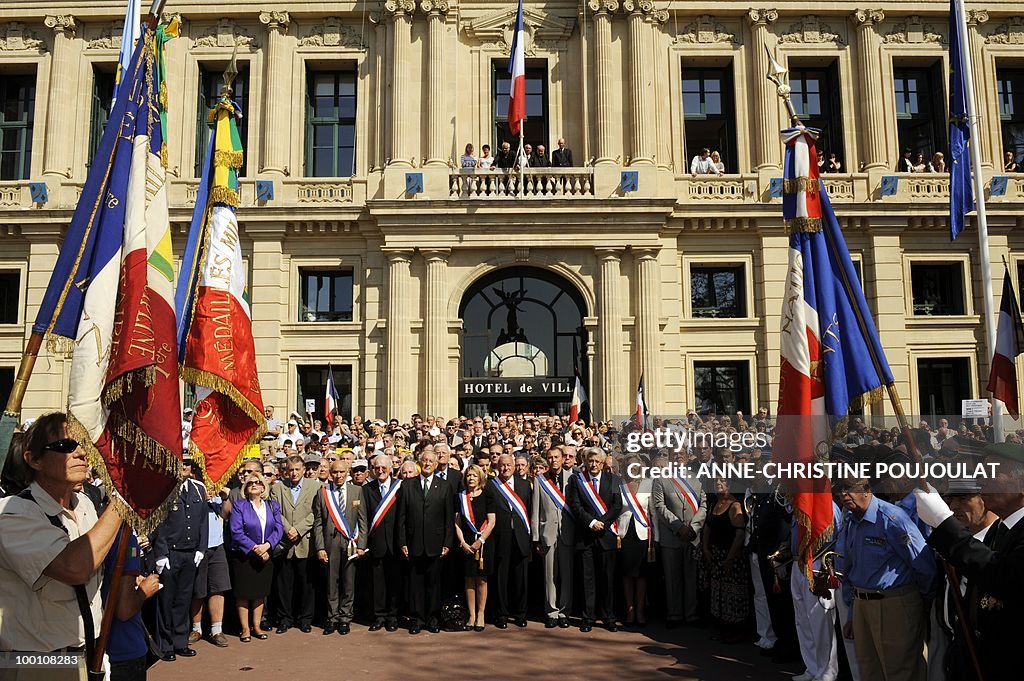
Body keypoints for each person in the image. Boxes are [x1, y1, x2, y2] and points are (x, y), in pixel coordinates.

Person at [0, 413, 122, 679]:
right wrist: (125, 499)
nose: (80, 453)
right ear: (33, 459)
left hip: (92, 653)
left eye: (82, 444)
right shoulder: (11, 514)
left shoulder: (86, 505)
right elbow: (74, 568)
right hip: (36, 663)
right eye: (66, 446)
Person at [913, 442, 1024, 681]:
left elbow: (1003, 576)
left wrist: (944, 522)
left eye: (993, 473)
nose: (983, 481)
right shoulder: (1002, 531)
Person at [837, 474, 935, 681]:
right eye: (839, 490)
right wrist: (853, 613)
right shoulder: (851, 520)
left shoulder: (892, 518)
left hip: (894, 604)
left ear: (866, 489)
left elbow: (923, 564)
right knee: (869, 670)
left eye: (848, 488)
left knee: (901, 671)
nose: (843, 495)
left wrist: (919, 603)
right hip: (862, 604)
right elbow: (850, 568)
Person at [150, 457, 209, 661]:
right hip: (170, 553)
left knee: (184, 600)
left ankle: (180, 642)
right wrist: (160, 553)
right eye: (178, 464)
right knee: (167, 600)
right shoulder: (163, 489)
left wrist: (202, 548)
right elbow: (158, 524)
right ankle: (165, 645)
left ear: (191, 468)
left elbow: (203, 520)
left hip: (190, 553)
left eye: (185, 465)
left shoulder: (198, 489)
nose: (182, 468)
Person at [568, 447, 623, 632]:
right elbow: (575, 506)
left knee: (608, 579)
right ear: (586, 461)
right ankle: (588, 617)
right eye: (590, 461)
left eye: (597, 461)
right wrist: (591, 522)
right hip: (585, 536)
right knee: (587, 579)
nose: (593, 464)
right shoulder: (576, 480)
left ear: (602, 463)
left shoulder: (614, 480)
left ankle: (608, 617)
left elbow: (617, 506)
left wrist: (603, 523)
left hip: (606, 536)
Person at [399, 449, 454, 634]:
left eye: (431, 461)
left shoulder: (444, 486)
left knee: (434, 584)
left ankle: (433, 619)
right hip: (413, 543)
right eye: (425, 461)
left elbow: (449, 518)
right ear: (419, 463)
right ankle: (417, 619)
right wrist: (402, 542)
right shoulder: (407, 486)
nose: (428, 463)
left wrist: (447, 542)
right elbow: (402, 517)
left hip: (436, 544)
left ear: (436, 464)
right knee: (416, 584)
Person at [312, 460, 368, 635]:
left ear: (348, 472)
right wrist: (320, 547)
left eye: (342, 472)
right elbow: (318, 523)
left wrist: (361, 545)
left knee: (349, 582)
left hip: (351, 543)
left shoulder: (357, 491)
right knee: (331, 582)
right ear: (330, 473)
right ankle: (332, 617)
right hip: (331, 544)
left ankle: (345, 618)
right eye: (335, 472)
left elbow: (363, 520)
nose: (338, 475)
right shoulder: (323, 493)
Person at [269, 455, 322, 634]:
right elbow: (274, 511)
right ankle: (285, 618)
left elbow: (317, 513)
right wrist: (287, 528)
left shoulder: (315, 486)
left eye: (297, 469)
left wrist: (298, 529)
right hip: (285, 542)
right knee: (284, 583)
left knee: (307, 584)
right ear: (285, 470)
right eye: (290, 470)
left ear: (303, 469)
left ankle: (305, 619)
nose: (293, 473)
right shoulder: (277, 488)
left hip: (306, 542)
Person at [229, 472, 283, 643]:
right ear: (246, 487)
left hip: (266, 554)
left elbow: (279, 529)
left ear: (263, 487)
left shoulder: (273, 506)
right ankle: (245, 629)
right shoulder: (240, 505)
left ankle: (257, 626)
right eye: (251, 482)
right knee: (243, 593)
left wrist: (267, 545)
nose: (254, 484)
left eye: (258, 482)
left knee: (260, 592)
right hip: (245, 556)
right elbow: (236, 532)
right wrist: (254, 548)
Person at [652, 462, 707, 627]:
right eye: (675, 454)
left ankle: (691, 614)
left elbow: (704, 505)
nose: (678, 457)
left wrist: (694, 527)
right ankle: (674, 614)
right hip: (671, 536)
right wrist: (678, 527)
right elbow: (659, 506)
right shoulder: (661, 479)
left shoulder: (697, 478)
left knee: (691, 577)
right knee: (672, 578)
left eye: (681, 454)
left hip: (692, 536)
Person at [102, 531, 161, 681]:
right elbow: (124, 610)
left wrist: (131, 580)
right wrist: (144, 592)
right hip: (123, 648)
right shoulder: (125, 540)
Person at [531, 446, 575, 628]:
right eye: (550, 457)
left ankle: (565, 611)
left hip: (568, 533)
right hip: (547, 534)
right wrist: (536, 538)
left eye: (557, 457)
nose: (554, 460)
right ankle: (551, 612)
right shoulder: (541, 481)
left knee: (567, 574)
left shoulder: (573, 479)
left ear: (563, 458)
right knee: (550, 576)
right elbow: (535, 510)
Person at [488, 453, 533, 629]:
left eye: (508, 465)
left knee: (521, 578)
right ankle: (502, 614)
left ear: (514, 466)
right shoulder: (491, 486)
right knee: (501, 578)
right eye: (502, 465)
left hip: (521, 537)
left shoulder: (524, 485)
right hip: (501, 538)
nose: (505, 468)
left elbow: (530, 512)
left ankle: (521, 613)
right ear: (497, 467)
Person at [702, 478, 748, 644]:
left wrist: (730, 557)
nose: (718, 484)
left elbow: (740, 534)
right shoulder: (714, 503)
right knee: (718, 592)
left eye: (722, 482)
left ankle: (735, 631)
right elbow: (708, 526)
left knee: (733, 593)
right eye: (716, 482)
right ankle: (721, 628)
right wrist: (705, 548)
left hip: (731, 557)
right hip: (715, 555)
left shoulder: (735, 506)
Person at [363, 454, 403, 632]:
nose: (380, 470)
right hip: (376, 542)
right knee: (377, 583)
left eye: (383, 467)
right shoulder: (366, 489)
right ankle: (379, 616)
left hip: (395, 543)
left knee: (395, 581)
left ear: (391, 468)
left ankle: (393, 616)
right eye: (376, 468)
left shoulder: (400, 487)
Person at [190, 478, 231, 648]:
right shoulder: (192, 488)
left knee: (218, 588)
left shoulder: (216, 488)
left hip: (217, 545)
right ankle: (196, 628)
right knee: (198, 590)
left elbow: (226, 514)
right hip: (198, 546)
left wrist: (224, 497)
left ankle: (216, 630)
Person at [455, 464, 496, 631]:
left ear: (480, 478)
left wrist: (481, 540)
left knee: (482, 579)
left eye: (474, 475)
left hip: (483, 543)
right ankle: (471, 614)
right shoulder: (461, 497)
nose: (471, 478)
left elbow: (492, 521)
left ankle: (481, 614)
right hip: (466, 545)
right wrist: (463, 542)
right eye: (468, 476)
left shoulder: (487, 494)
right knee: (469, 579)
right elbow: (456, 522)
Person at [617, 456, 654, 627]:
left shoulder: (649, 484)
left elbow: (653, 512)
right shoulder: (619, 484)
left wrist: (656, 539)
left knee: (641, 574)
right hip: (624, 534)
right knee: (627, 574)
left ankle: (640, 610)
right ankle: (629, 609)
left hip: (643, 535)